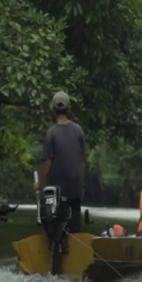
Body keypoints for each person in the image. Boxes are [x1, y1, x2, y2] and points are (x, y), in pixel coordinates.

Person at [34, 91, 87, 236]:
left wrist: (39, 183)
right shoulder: (78, 131)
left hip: (55, 192)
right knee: (75, 229)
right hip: (74, 189)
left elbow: (48, 162)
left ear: (53, 109)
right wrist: (81, 186)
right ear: (68, 108)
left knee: (52, 222)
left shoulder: (51, 133)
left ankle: (54, 247)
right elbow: (82, 162)